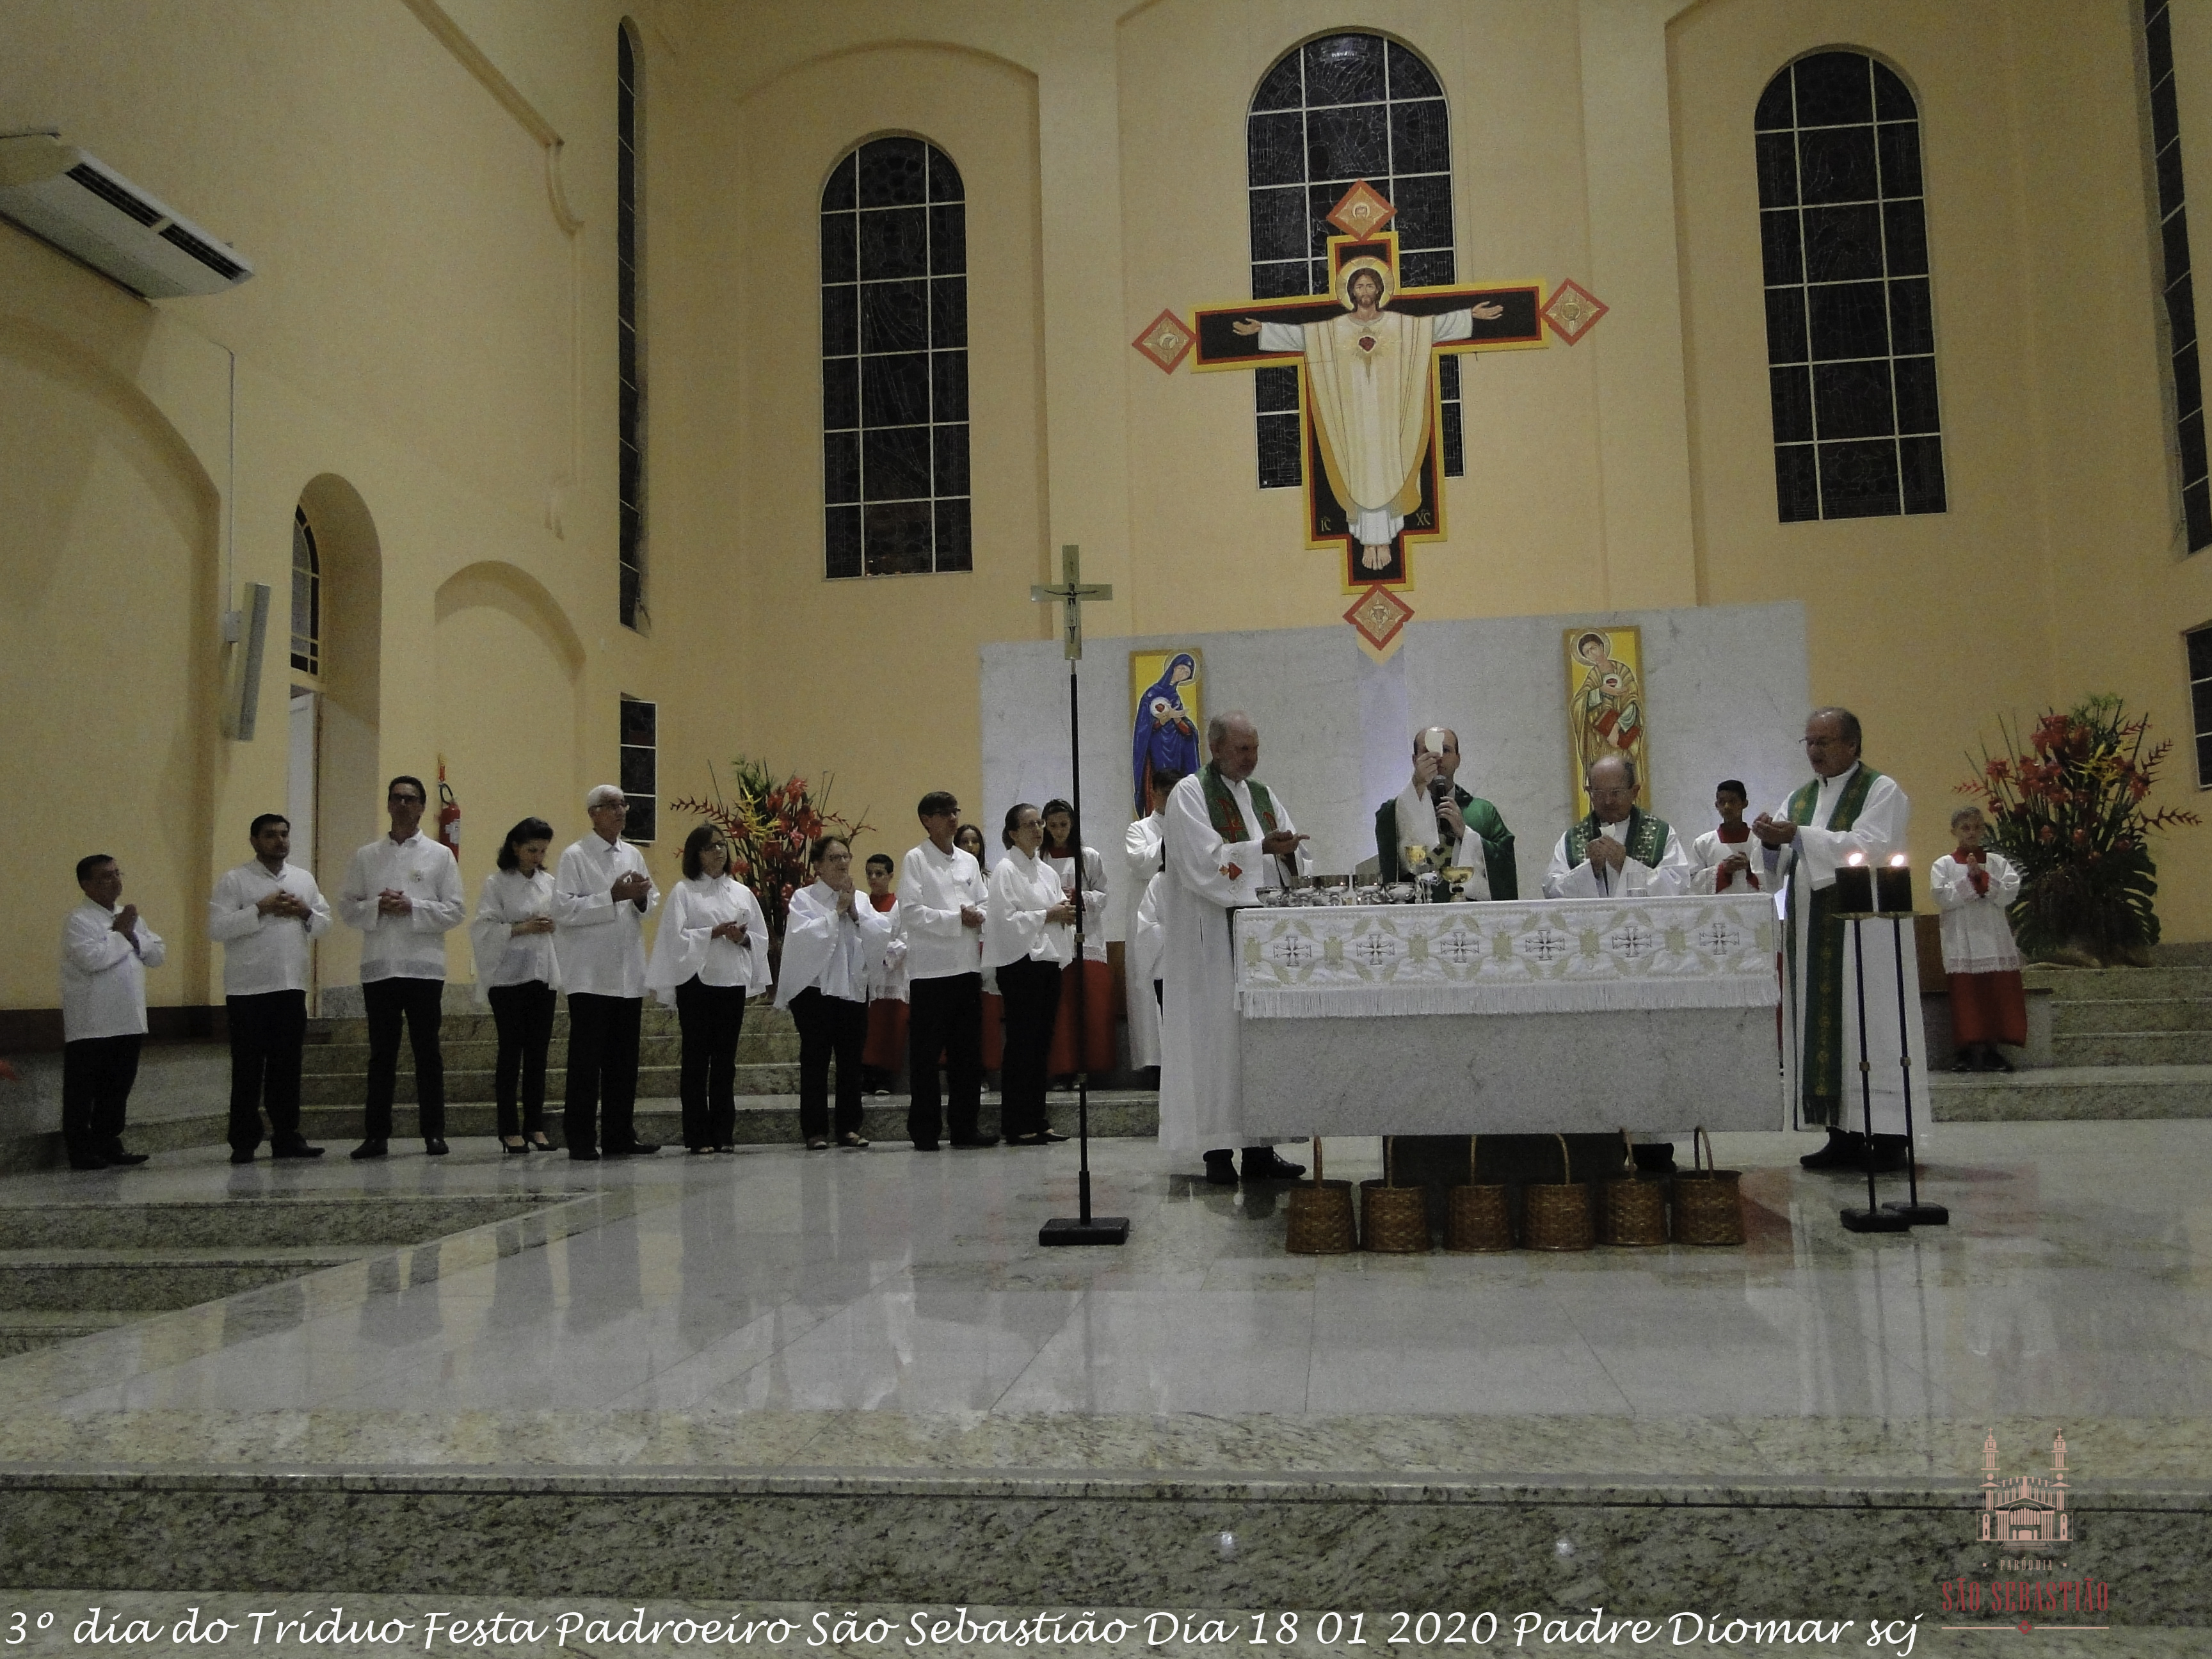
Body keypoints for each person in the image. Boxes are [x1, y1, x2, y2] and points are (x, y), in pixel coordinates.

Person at [1232, 263, 1505, 572]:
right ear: (1351, 292)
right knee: (1358, 470)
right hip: (1353, 419)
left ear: (1379, 290)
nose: (1365, 291)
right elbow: (1304, 337)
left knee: (1389, 466)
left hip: (1389, 417)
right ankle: (1367, 540)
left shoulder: (1398, 325)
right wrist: (1265, 330)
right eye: (1359, 286)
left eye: (1370, 286)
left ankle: (1384, 540)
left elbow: (1431, 328)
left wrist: (1469, 315)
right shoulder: (1334, 329)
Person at [1752, 707, 1914, 1171]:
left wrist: (1799, 836)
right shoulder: (1799, 798)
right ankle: (1840, 1133)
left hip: (1866, 934)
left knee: (1870, 1025)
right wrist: (1770, 843)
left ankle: (1888, 1137)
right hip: (1810, 928)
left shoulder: (1881, 791)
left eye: (1823, 742)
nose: (1814, 751)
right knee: (1826, 1028)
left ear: (1852, 745)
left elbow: (1872, 847)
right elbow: (1776, 870)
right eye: (1809, 742)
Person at [1160, 711, 1312, 1186]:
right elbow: (1202, 864)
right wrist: (1259, 849)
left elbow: (1293, 856)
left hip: (1261, 943)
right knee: (1217, 1039)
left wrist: (1289, 851)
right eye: (1243, 749)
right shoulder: (1190, 793)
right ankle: (1218, 1152)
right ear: (1216, 748)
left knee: (1259, 1042)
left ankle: (1261, 1151)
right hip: (1213, 944)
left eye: (1255, 748)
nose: (1252, 758)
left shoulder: (1262, 795)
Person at [337, 774, 466, 1160]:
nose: (403, 804)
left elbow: (456, 910)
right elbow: (347, 908)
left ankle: (434, 1134)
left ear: (422, 807)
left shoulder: (440, 855)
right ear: (389, 804)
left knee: (428, 1053)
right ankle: (376, 1135)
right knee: (381, 1055)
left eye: (411, 799)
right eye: (397, 798)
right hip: (379, 967)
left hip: (424, 968)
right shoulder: (366, 856)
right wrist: (377, 906)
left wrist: (413, 906)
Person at [209, 813, 330, 1164]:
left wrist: (305, 911)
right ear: (254, 841)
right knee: (248, 1068)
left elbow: (325, 924)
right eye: (270, 835)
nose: (280, 841)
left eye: (284, 834)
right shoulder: (235, 880)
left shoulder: (303, 879)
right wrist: (260, 910)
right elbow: (216, 928)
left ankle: (287, 1136)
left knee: (287, 1068)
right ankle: (243, 1142)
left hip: (291, 986)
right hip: (248, 990)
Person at [552, 784, 660, 1160]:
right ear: (593, 813)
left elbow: (651, 900)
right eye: (611, 805)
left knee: (623, 1063)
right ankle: (581, 1138)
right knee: (586, 1062)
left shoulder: (633, 853)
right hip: (590, 976)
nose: (620, 811)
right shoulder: (575, 856)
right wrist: (610, 897)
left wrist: (641, 897)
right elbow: (563, 910)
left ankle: (619, 1135)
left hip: (628, 974)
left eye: (623, 804)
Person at [648, 824, 771, 1152]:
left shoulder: (741, 893)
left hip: (731, 982)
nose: (718, 851)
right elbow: (674, 939)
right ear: (696, 855)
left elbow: (761, 938)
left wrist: (742, 938)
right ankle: (697, 1135)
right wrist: (711, 933)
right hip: (697, 983)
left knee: (725, 1062)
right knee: (696, 1060)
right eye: (710, 847)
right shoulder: (684, 891)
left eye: (722, 845)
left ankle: (723, 1133)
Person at [777, 835, 888, 1150]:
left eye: (845, 857)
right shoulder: (804, 898)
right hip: (814, 991)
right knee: (815, 1060)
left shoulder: (860, 898)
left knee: (851, 1061)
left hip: (852, 988)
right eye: (833, 858)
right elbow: (801, 939)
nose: (842, 863)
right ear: (818, 865)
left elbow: (881, 933)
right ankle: (814, 1130)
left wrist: (855, 914)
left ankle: (849, 1127)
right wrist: (835, 913)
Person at [58, 854, 165, 1169]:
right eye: (106, 876)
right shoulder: (78, 920)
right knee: (84, 1090)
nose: (116, 880)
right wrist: (123, 934)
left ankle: (109, 1143)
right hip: (92, 1021)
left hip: (128, 1018)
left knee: (117, 1088)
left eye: (118, 873)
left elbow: (157, 954)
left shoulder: (128, 918)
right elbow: (92, 959)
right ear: (86, 884)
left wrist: (130, 933)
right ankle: (81, 1150)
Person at [900, 793, 991, 1150]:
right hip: (931, 972)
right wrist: (957, 919)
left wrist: (979, 915)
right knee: (925, 1056)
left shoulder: (968, 861)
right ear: (926, 819)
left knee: (967, 1055)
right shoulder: (916, 859)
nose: (953, 818)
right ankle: (925, 1130)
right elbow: (911, 912)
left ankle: (965, 1128)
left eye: (956, 811)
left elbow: (984, 901)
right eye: (944, 813)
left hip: (967, 967)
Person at [987, 803, 1077, 1145]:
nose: (1039, 829)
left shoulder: (1048, 872)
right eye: (1030, 825)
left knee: (1041, 1045)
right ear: (1012, 833)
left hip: (1047, 962)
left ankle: (1038, 1119)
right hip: (1020, 964)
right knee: (1022, 1045)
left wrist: (1064, 914)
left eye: (1040, 823)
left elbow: (1058, 911)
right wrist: (1048, 915)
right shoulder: (1005, 870)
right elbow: (1005, 921)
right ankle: (1016, 1123)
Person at [470, 817, 561, 1153]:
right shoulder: (496, 883)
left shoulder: (549, 883)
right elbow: (483, 929)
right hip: (507, 977)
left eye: (542, 851)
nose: (537, 857)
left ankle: (535, 1125)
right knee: (511, 1050)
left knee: (538, 1052)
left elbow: (563, 922)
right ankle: (508, 1128)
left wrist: (552, 925)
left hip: (542, 973)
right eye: (531, 850)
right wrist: (523, 927)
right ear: (515, 848)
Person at [1933, 806, 2025, 1073]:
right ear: (1954, 832)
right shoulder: (1944, 864)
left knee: (1993, 995)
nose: (1971, 833)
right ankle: (1965, 1052)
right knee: (1966, 996)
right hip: (1961, 938)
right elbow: (1942, 896)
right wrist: (1972, 882)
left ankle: (1992, 1051)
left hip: (1993, 935)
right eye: (1965, 828)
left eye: (1977, 827)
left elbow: (2009, 892)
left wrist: (1982, 878)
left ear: (1984, 830)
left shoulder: (1997, 862)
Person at [1377, 727, 1516, 895]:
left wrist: (1466, 834)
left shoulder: (1483, 812)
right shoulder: (1397, 811)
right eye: (1428, 751)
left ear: (1458, 760)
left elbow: (1505, 864)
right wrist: (1417, 784)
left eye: (1446, 750)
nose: (1438, 757)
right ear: (1415, 760)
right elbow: (1388, 837)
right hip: (1417, 907)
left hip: (1469, 908)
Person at [1542, 753, 1694, 899]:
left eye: (1616, 793)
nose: (1608, 801)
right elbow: (1552, 890)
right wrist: (1589, 870)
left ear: (1634, 792)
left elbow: (1678, 886)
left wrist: (1625, 865)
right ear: (1589, 792)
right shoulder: (1572, 839)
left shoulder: (1661, 834)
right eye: (1599, 793)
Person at [1039, 798, 1112, 1086]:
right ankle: (1062, 1069)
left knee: (1086, 1008)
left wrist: (1081, 898)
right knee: (1060, 1010)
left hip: (1086, 937)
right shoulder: (1039, 858)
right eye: (1053, 826)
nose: (1059, 831)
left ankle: (1087, 1069)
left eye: (1064, 824)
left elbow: (1103, 894)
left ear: (1073, 825)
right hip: (1052, 939)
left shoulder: (1088, 856)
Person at [1119, 768, 1182, 1078]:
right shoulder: (1140, 829)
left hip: (1184, 916)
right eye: (1166, 793)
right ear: (1153, 794)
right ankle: (1155, 1067)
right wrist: (1171, 838)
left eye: (1176, 793)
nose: (1171, 799)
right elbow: (1141, 863)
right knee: (1149, 993)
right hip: (1151, 918)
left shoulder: (1195, 827)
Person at [860, 853, 908, 1095]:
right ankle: (866, 1077)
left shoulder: (899, 906)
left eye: (879, 874)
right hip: (867, 977)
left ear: (890, 876)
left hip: (891, 976)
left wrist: (882, 955)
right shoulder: (862, 906)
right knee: (868, 1030)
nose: (873, 878)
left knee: (890, 1028)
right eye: (869, 874)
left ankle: (885, 1080)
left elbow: (905, 939)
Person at [1130, 653, 1201, 813]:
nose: (1183, 674)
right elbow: (1144, 728)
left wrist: (1179, 721)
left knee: (1177, 785)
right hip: (1157, 748)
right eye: (1181, 669)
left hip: (1176, 749)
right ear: (1173, 668)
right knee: (1159, 784)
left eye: (1187, 673)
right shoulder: (1151, 695)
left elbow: (1185, 727)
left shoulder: (1175, 697)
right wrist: (1167, 717)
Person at [1690, 780, 1765, 894]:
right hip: (1717, 905)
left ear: (1745, 803)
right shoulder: (1703, 843)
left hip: (1754, 904)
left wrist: (1749, 869)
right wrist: (1722, 870)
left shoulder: (1760, 841)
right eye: (1722, 802)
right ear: (1716, 805)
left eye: (1732, 801)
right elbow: (1693, 885)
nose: (1727, 807)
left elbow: (1773, 880)